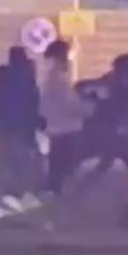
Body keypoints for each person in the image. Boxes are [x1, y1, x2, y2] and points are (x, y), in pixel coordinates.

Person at [78, 54, 128, 221]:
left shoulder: (117, 81)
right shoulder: (117, 82)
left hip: (117, 132)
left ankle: (79, 193)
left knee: (108, 164)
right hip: (116, 132)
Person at [0, 46, 45, 218]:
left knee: (4, 165)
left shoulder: (2, 75)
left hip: (4, 126)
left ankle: (0, 202)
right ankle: (22, 200)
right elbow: (31, 104)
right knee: (25, 166)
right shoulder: (25, 78)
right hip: (20, 129)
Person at [38, 40, 88, 195]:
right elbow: (71, 104)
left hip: (58, 129)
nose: (68, 60)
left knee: (58, 168)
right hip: (65, 130)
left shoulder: (53, 77)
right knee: (63, 169)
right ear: (61, 57)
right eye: (66, 56)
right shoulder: (58, 79)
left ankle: (55, 196)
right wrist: (90, 109)